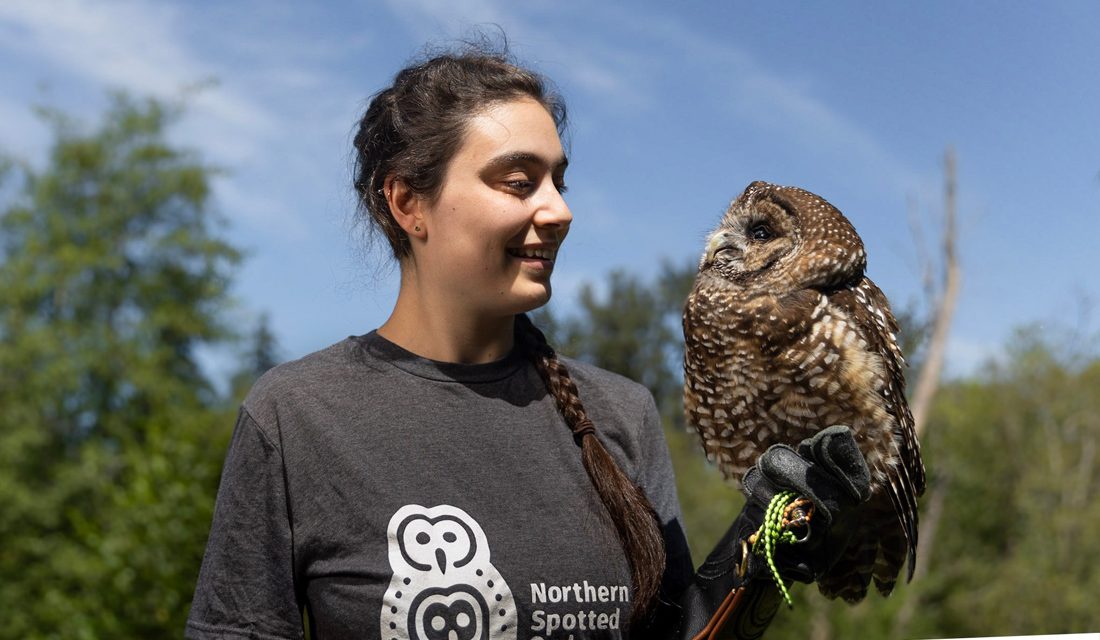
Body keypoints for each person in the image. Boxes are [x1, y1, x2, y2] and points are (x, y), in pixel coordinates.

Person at [186, 44, 871, 640]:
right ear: (406, 204)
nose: (559, 209)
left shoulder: (620, 415)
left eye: (558, 180)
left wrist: (763, 541)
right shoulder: (298, 417)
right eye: (519, 182)